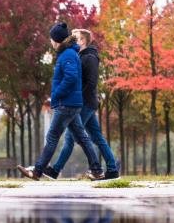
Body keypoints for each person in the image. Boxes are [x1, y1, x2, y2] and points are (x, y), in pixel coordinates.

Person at [18, 22, 103, 181]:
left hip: (66, 104)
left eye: (51, 39)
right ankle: (97, 170)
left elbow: (70, 78)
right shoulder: (68, 53)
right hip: (72, 103)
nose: (50, 41)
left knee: (52, 137)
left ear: (56, 40)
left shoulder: (68, 55)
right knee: (83, 138)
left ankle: (37, 171)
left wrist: (56, 94)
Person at [43, 29, 120, 180]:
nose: (72, 39)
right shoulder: (80, 56)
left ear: (83, 40)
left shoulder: (90, 57)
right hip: (85, 103)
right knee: (97, 137)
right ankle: (112, 169)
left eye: (75, 37)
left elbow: (91, 83)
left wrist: (76, 98)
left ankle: (55, 170)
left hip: (85, 103)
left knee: (70, 138)